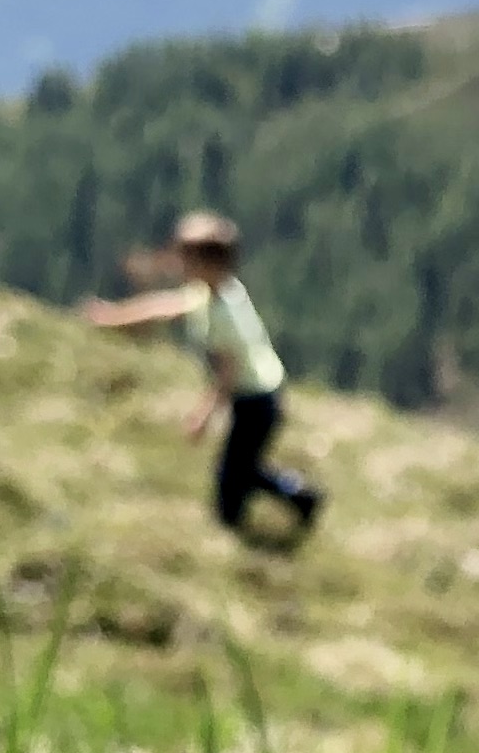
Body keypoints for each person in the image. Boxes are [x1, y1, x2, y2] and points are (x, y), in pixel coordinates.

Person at [82, 210, 321, 541]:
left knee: (231, 479)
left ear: (207, 263)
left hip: (256, 402)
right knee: (243, 464)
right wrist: (113, 317)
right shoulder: (219, 290)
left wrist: (202, 416)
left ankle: (238, 530)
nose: (179, 264)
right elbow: (164, 306)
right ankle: (300, 496)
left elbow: (227, 373)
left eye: (186, 257)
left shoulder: (223, 314)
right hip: (264, 394)